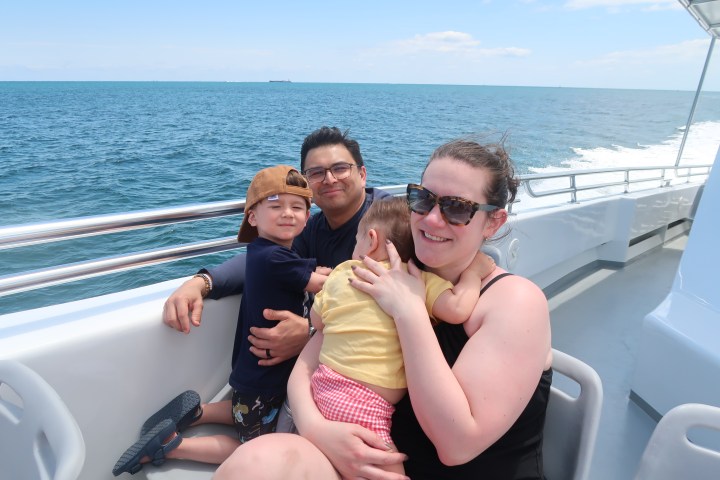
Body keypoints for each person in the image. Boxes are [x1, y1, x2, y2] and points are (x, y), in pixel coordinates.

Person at [214, 137, 553, 480]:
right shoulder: (390, 273)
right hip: (356, 460)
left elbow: (457, 445)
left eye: (457, 208)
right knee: (254, 464)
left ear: (493, 222)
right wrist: (317, 429)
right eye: (423, 200)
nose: (433, 219)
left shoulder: (515, 302)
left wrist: (409, 311)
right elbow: (306, 365)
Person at [112, 165, 329, 476]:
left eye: (297, 207)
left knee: (248, 409)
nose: (288, 214)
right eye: (276, 206)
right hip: (267, 374)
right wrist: (345, 274)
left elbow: (303, 273)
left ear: (308, 217)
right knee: (251, 445)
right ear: (253, 217)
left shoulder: (260, 251)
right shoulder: (278, 258)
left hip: (250, 372)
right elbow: (320, 283)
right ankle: (172, 445)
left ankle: (198, 413)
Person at [162, 127, 389, 368]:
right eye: (316, 173)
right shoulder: (312, 228)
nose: (330, 179)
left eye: (340, 168)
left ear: (363, 174)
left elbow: (393, 304)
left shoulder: (389, 220)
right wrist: (202, 282)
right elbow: (267, 260)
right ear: (306, 183)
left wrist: (310, 331)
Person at [309, 197, 496, 476]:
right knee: (389, 472)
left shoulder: (343, 272)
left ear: (371, 239)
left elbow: (317, 321)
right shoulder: (413, 280)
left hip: (322, 385)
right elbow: (457, 309)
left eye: (356, 240)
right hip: (364, 403)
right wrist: (474, 272)